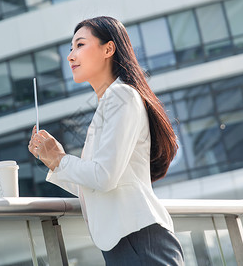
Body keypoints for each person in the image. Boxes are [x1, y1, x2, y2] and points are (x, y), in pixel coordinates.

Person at [28, 16, 184, 265]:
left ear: (108, 49)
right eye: (71, 48)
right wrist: (53, 161)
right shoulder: (110, 101)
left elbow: (104, 177)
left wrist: (60, 159)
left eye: (80, 45)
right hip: (128, 242)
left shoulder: (120, 96)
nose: (70, 56)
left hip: (137, 239)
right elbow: (96, 185)